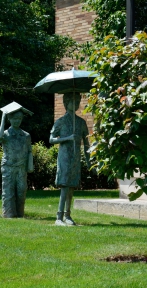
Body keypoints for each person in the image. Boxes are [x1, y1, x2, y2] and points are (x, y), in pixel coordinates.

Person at [50, 93, 91, 226]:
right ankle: (59, 217)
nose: (76, 103)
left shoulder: (81, 122)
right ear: (66, 103)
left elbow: (86, 144)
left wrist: (89, 161)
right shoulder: (61, 121)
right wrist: (67, 138)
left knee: (72, 186)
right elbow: (51, 139)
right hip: (65, 156)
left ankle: (68, 215)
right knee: (65, 185)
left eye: (78, 101)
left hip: (75, 157)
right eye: (73, 101)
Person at [0, 103, 33, 218]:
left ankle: (20, 213)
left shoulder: (26, 135)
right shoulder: (6, 134)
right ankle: (9, 214)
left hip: (21, 168)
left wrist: (30, 166)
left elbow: (29, 152)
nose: (17, 121)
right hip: (8, 166)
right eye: (15, 119)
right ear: (10, 119)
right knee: (8, 192)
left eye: (19, 119)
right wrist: (3, 117)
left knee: (21, 191)